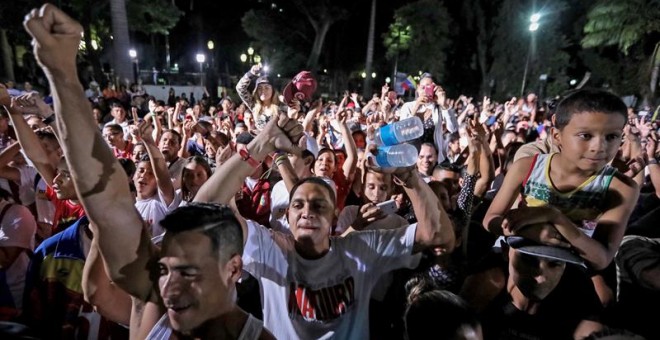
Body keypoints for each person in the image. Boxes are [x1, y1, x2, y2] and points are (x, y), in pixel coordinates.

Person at [23, 4, 274, 339]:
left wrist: (259, 147)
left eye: (188, 272)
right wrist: (62, 75)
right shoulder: (152, 300)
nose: (169, 285)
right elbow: (107, 197)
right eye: (164, 268)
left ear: (233, 269)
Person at [193, 99, 455, 338]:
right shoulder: (269, 249)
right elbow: (204, 208)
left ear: (334, 216)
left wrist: (410, 177)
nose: (307, 211)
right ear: (289, 214)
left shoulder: (361, 250)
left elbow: (437, 235)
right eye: (298, 204)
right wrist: (261, 144)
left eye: (319, 205)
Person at [483, 89, 639, 273]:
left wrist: (555, 217)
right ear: (557, 136)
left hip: (573, 264)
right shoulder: (527, 167)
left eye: (611, 137)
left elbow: (601, 258)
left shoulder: (621, 187)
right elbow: (491, 220)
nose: (599, 147)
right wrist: (528, 232)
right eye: (585, 136)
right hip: (517, 251)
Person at [479, 235, 605, 339]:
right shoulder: (488, 280)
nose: (541, 277)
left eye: (555, 264)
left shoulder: (578, 291)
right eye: (529, 260)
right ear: (506, 251)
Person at [397, 73, 458, 163]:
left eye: (429, 88)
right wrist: (416, 107)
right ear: (417, 89)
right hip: (412, 158)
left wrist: (444, 104)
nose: (425, 91)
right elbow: (402, 132)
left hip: (433, 159)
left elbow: (453, 128)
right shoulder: (408, 107)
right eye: (422, 88)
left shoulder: (439, 107)